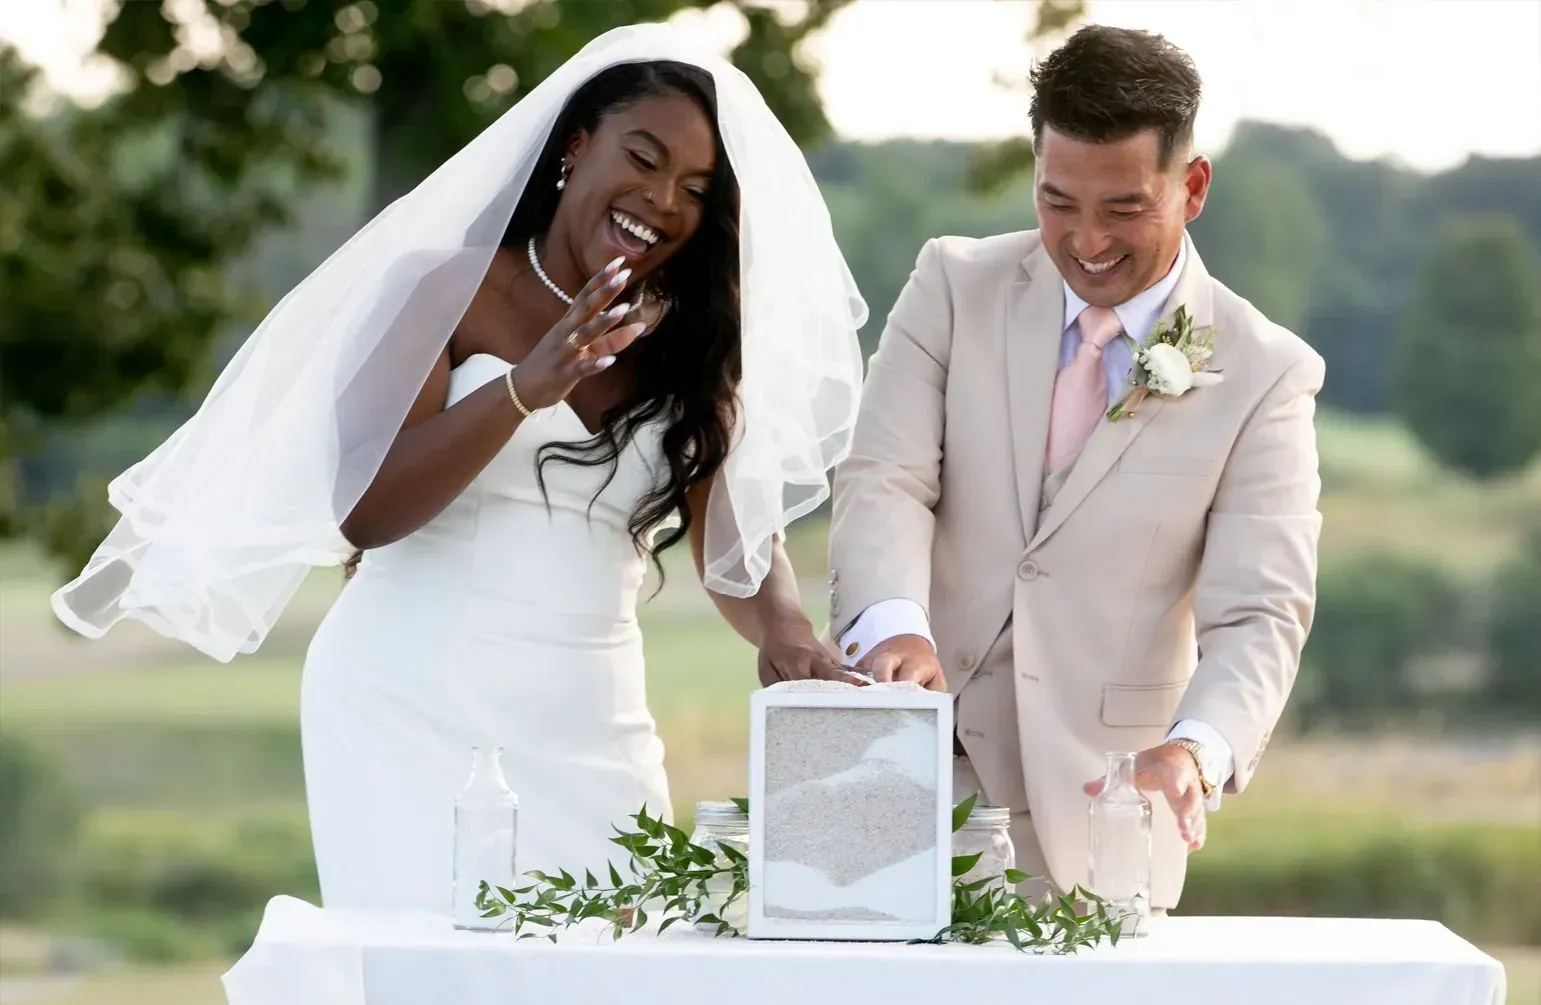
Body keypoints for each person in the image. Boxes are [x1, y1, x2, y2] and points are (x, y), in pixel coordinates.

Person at [51, 24, 866, 912]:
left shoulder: (690, 342)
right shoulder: (443, 286)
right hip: (408, 697)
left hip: (590, 716)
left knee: (609, 974)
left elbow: (735, 536)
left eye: (694, 189)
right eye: (643, 156)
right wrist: (524, 386)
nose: (663, 198)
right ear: (575, 145)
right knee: (425, 981)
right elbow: (363, 509)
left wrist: (785, 627)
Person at [827, 24, 1324, 912]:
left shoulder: (1265, 372)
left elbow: (1259, 613)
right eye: (1057, 202)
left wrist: (1195, 750)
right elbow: (884, 477)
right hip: (890, 778)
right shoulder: (949, 285)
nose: (1085, 240)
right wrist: (892, 627)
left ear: (1193, 186)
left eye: (1122, 208)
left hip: (1103, 814)